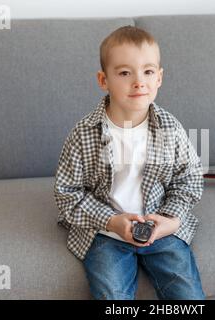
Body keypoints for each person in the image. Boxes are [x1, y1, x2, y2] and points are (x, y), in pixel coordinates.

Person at [54, 25, 205, 300]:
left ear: (159, 78)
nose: (139, 82)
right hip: (105, 234)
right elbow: (67, 194)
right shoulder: (84, 133)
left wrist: (170, 221)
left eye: (148, 71)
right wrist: (112, 222)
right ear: (104, 80)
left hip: (159, 225)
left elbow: (189, 179)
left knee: (188, 295)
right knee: (113, 296)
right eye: (125, 73)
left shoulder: (170, 128)